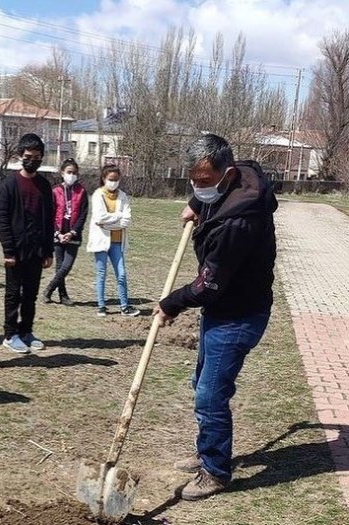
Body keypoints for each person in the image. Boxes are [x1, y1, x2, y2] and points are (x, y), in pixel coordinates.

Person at [153, 133, 277, 501]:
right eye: (193, 181)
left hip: (239, 314)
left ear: (228, 172)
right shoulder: (234, 184)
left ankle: (216, 471)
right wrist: (196, 202)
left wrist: (171, 302)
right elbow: (210, 197)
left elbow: (208, 286)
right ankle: (208, 448)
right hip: (222, 310)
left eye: (205, 182)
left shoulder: (239, 223)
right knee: (202, 385)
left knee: (210, 394)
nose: (198, 187)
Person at [0, 133, 54, 353]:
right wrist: (8, 250)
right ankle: (10, 335)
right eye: (29, 156)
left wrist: (48, 250)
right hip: (16, 250)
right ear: (21, 155)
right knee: (13, 293)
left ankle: (26, 331)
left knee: (31, 293)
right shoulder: (10, 183)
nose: (33, 160)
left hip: (37, 249)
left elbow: (49, 219)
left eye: (38, 157)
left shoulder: (44, 185)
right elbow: (2, 219)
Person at [85, 164, 140, 317]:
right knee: (101, 273)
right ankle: (101, 306)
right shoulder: (97, 195)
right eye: (110, 179)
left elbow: (126, 220)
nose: (113, 182)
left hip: (117, 241)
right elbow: (99, 217)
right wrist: (118, 217)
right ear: (104, 179)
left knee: (121, 274)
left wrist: (109, 222)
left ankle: (124, 306)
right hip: (101, 241)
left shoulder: (123, 196)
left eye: (116, 179)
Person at [43, 158, 88, 306]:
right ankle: (63, 295)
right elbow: (50, 214)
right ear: (62, 173)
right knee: (60, 265)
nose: (72, 175)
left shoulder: (81, 191)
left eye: (74, 173)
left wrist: (73, 232)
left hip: (73, 236)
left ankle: (49, 289)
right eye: (69, 172)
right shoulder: (55, 191)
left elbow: (83, 215)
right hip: (58, 235)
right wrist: (58, 233)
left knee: (66, 266)